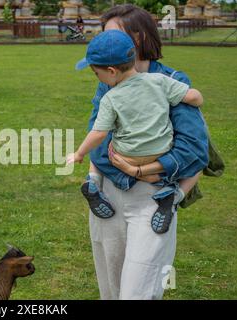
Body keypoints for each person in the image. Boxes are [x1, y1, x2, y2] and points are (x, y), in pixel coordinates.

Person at [74, 4, 223, 300]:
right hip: (108, 195)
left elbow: (194, 151)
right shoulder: (108, 83)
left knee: (138, 292)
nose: (105, 45)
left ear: (138, 38)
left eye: (113, 36)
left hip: (154, 200)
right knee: (112, 290)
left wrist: (144, 170)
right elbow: (99, 143)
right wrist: (129, 169)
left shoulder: (170, 82)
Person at [67, 29, 204, 234]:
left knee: (107, 140)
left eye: (97, 73)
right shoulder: (159, 80)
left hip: (126, 157)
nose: (98, 78)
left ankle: (94, 181)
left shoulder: (111, 98)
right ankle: (172, 194)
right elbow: (193, 97)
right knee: (197, 166)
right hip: (159, 153)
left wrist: (78, 154)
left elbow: (98, 134)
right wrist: (198, 99)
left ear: (112, 71)